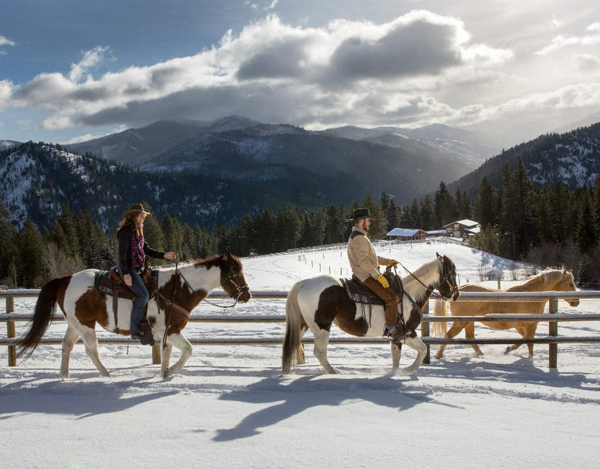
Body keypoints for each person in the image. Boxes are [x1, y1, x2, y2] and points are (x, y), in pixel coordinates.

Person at [346, 207, 408, 342]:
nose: (370, 222)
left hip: (366, 273)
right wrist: (377, 276)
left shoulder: (359, 236)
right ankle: (392, 329)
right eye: (368, 220)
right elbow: (364, 263)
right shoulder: (359, 239)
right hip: (365, 276)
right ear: (362, 221)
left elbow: (371, 258)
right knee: (391, 297)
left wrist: (388, 261)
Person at [117, 203, 177, 341]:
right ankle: (134, 329)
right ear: (134, 216)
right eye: (141, 214)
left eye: (143, 215)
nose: (144, 217)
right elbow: (122, 255)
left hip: (139, 268)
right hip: (128, 269)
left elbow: (147, 249)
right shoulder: (125, 232)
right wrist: (126, 273)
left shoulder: (138, 230)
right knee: (143, 295)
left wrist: (164, 255)